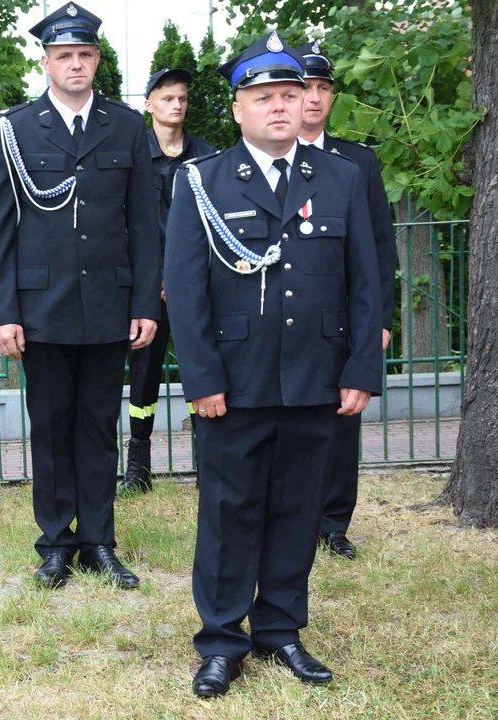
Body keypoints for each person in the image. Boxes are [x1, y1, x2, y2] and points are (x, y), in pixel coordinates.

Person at [164, 32, 383, 697]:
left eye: (291, 96)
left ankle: (282, 628)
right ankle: (224, 640)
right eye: (265, 98)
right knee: (229, 512)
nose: (281, 108)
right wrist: (201, 378)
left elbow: (367, 282)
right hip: (234, 382)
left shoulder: (342, 178)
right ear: (238, 109)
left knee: (296, 509)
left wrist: (359, 370)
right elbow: (187, 285)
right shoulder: (201, 182)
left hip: (316, 377)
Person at [0, 2, 161, 590]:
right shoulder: (12, 128)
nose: (75, 64)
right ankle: (56, 542)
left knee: (97, 424)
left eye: (84, 55)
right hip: (42, 308)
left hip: (110, 302)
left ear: (97, 60)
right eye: (64, 56)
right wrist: (4, 312)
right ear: (46, 61)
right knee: (51, 426)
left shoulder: (128, 126)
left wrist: (144, 305)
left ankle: (99, 542)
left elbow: (146, 225)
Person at [295, 41, 398, 560]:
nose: (313, 99)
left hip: (346, 314)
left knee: (342, 419)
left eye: (323, 89)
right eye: (306, 88)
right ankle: (294, 515)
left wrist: (380, 318)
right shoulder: (270, 158)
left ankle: (334, 522)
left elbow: (380, 246)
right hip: (292, 313)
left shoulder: (357, 162)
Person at [118, 68, 216, 494]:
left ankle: (209, 461)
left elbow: (214, 227)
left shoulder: (209, 158)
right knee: (143, 373)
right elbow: (127, 225)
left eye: (182, 98)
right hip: (146, 288)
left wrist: (182, 276)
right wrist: (154, 278)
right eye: (168, 98)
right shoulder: (131, 154)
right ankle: (138, 466)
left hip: (199, 286)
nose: (176, 105)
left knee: (205, 368)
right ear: (149, 104)